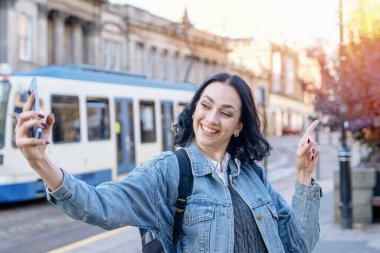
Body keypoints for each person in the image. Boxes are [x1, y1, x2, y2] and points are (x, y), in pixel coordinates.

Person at [15, 73, 322, 253]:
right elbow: (99, 205)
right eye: (206, 105)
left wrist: (304, 175)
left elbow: (299, 243)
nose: (211, 119)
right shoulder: (168, 171)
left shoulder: (252, 176)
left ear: (239, 126)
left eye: (226, 113)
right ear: (195, 108)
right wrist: (42, 163)